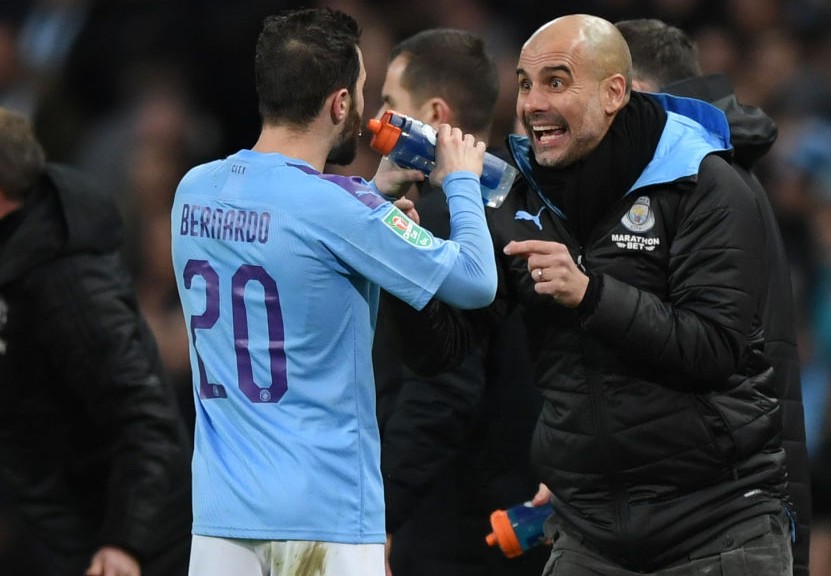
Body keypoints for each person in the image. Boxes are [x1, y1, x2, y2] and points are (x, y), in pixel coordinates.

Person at [394, 14, 796, 575]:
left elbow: (716, 347)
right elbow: (443, 352)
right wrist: (401, 264)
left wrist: (590, 295)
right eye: (526, 83)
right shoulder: (518, 194)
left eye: (556, 82)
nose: (532, 103)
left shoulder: (703, 183)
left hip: (715, 526)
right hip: (588, 533)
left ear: (614, 93)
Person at [169, 8, 496, 576]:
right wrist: (463, 178)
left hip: (220, 521)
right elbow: (476, 280)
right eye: (365, 93)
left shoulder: (193, 190)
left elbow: (290, 242)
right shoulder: (343, 209)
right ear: (340, 103)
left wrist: (372, 192)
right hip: (325, 517)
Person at [615, 17, 811, 576]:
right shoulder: (697, 174)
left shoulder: (698, 184)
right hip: (697, 512)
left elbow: (721, 361)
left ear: (632, 91)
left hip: (713, 520)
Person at [371, 28, 548, 576]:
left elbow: (441, 389)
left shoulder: (446, 225)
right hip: (502, 510)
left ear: (434, 115)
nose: (376, 117)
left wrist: (382, 514)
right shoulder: (522, 204)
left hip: (450, 524)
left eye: (389, 104)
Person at [0, 107, 192, 575]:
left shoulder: (68, 281)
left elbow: (145, 417)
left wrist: (124, 543)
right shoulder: (18, 257)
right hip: (55, 531)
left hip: (112, 549)